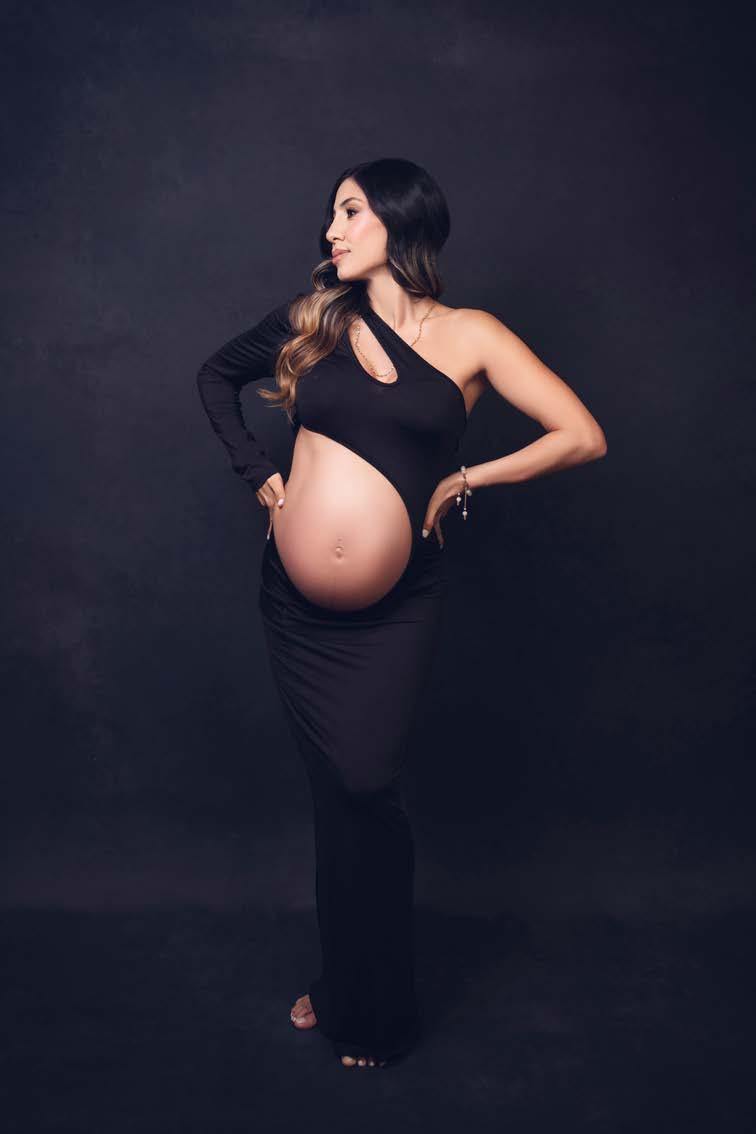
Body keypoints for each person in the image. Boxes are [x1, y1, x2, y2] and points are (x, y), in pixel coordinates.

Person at [196, 157, 607, 1069]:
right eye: (331, 215)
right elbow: (214, 377)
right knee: (336, 799)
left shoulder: (472, 336)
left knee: (365, 788)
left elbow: (581, 435)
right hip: (295, 613)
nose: (331, 230)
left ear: (399, 218)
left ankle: (375, 1002)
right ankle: (345, 981)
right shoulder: (314, 319)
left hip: (395, 611)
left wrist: (466, 478)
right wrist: (258, 474)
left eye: (350, 212)